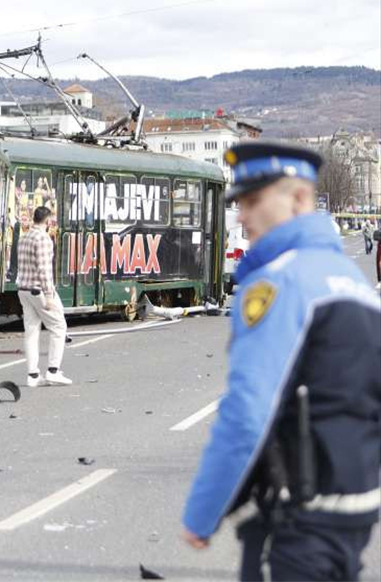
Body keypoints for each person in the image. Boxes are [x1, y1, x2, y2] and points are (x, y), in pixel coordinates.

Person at [182, 142, 380, 581]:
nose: (242, 216)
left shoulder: (277, 283)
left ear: (298, 199)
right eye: (239, 204)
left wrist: (204, 512)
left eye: (253, 201)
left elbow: (248, 412)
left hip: (303, 512)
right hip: (358, 505)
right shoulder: (352, 281)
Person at [15, 206, 71, 387]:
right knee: (58, 327)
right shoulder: (43, 239)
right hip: (38, 291)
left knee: (31, 332)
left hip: (23, 289)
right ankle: (53, 371)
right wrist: (48, 296)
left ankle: (32, 375)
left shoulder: (24, 238)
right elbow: (44, 270)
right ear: (47, 221)